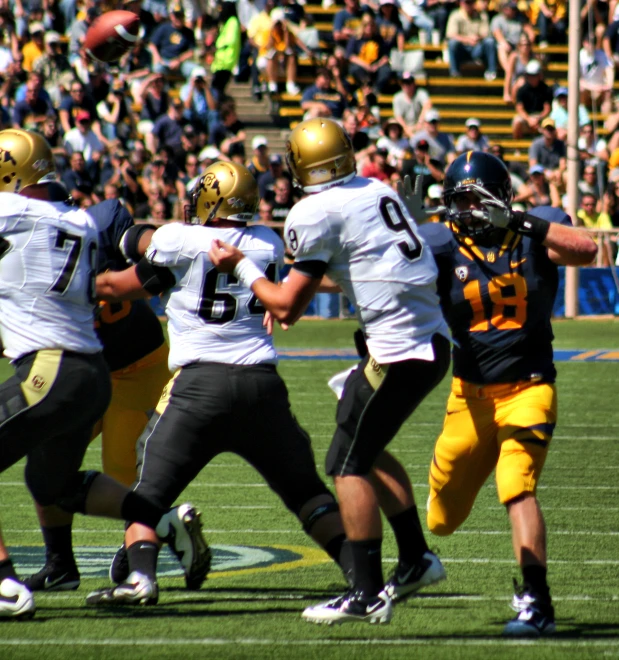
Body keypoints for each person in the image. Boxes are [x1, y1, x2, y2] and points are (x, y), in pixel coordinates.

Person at [208, 118, 452, 625]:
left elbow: (289, 305)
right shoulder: (374, 188)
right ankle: (415, 559)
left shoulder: (313, 209)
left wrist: (243, 268)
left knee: (346, 462)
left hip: (399, 348)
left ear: (300, 165)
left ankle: (365, 591)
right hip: (427, 337)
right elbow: (345, 268)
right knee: (360, 439)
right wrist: (281, 293)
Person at [87, 161, 353, 605]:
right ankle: (360, 575)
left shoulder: (179, 239)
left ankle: (141, 580)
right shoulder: (267, 242)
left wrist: (73, 281)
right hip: (260, 386)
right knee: (306, 493)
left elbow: (120, 287)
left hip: (197, 388)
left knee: (146, 491)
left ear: (211, 199)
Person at [0, 128, 209, 618]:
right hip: (91, 371)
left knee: (94, 468)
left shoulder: (11, 212)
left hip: (53, 367)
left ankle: (4, 584)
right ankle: (157, 521)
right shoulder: (79, 221)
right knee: (52, 484)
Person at [397, 151, 597, 636]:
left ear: (500, 199)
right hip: (468, 397)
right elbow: (389, 276)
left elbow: (585, 250)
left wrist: (520, 222)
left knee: (516, 485)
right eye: (457, 201)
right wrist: (405, 228)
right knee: (441, 519)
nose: (465, 212)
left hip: (529, 389)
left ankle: (537, 600)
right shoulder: (442, 244)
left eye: (473, 200)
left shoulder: (535, 229)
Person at [23, 198, 171, 592]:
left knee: (121, 466)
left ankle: (139, 546)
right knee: (45, 457)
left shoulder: (96, 226)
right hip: (81, 369)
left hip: (137, 364)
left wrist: (156, 248)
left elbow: (144, 239)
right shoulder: (21, 246)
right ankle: (60, 564)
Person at [445, 0, 497, 81]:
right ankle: (454, 72)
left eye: (471, 2)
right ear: (461, 3)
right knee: (452, 43)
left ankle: (491, 71)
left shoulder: (482, 15)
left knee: (490, 41)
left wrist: (477, 38)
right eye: (467, 2)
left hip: (477, 48)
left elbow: (486, 33)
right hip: (462, 49)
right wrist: (467, 39)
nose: (469, 5)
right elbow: (450, 34)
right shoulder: (455, 15)